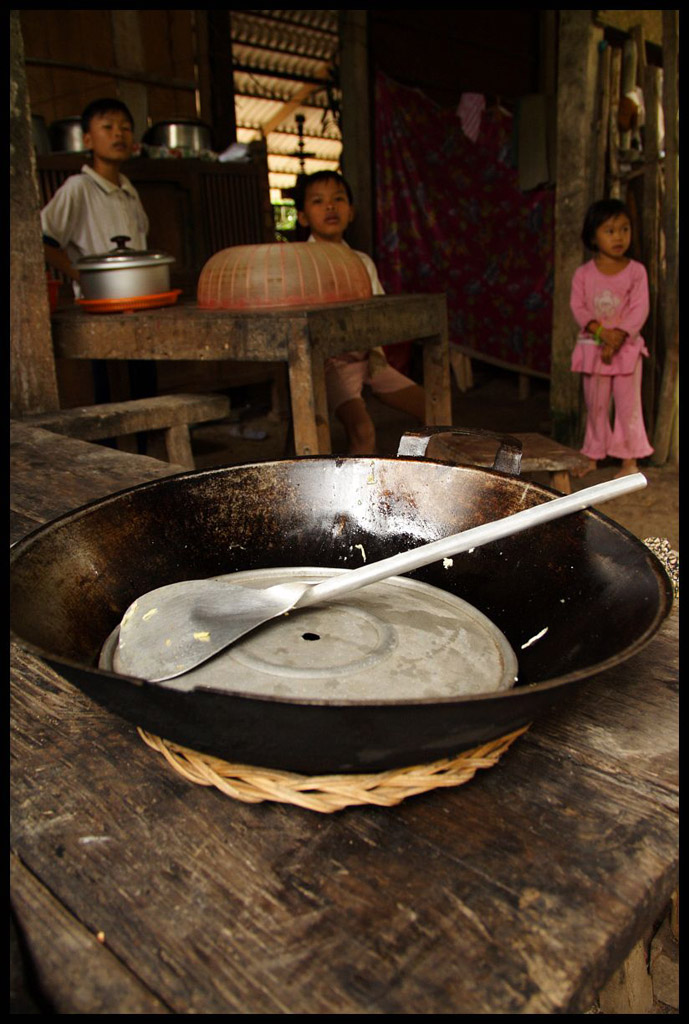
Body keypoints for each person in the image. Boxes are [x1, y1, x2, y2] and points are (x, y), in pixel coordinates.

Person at [295, 170, 426, 454]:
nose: (330, 207)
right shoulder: (300, 263)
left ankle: (426, 483)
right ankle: (358, 497)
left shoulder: (362, 262)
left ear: (351, 212)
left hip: (370, 358)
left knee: (432, 409)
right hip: (328, 364)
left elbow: (378, 318)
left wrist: (375, 353)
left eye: (338, 199)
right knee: (363, 430)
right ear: (303, 216)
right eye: (318, 201)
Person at [570, 198, 654, 478]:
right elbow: (579, 308)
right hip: (592, 349)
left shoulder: (636, 272)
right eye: (610, 230)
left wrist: (616, 337)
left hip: (626, 349)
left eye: (624, 229)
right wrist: (601, 334)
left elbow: (640, 308)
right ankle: (593, 454)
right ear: (593, 235)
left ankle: (629, 461)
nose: (619, 236)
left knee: (629, 406)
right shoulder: (583, 274)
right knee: (596, 405)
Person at [41, 98, 149, 293]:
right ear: (88, 140)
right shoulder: (78, 187)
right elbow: (43, 242)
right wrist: (86, 278)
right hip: (99, 301)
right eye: (107, 127)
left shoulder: (129, 191)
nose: (118, 134)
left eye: (125, 128)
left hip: (136, 294)